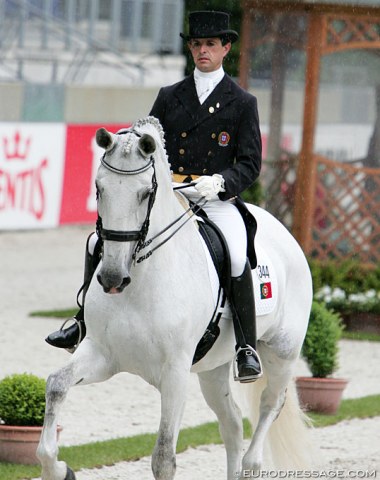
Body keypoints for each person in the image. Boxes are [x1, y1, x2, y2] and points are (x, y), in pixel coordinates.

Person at [46, 10, 262, 383]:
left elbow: (250, 162)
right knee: (98, 239)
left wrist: (220, 183)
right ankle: (82, 322)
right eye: (197, 44)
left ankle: (245, 346)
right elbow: (146, 135)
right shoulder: (170, 95)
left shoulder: (241, 102)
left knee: (237, 252)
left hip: (212, 198)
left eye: (210, 44)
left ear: (226, 47)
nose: (202, 51)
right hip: (169, 196)